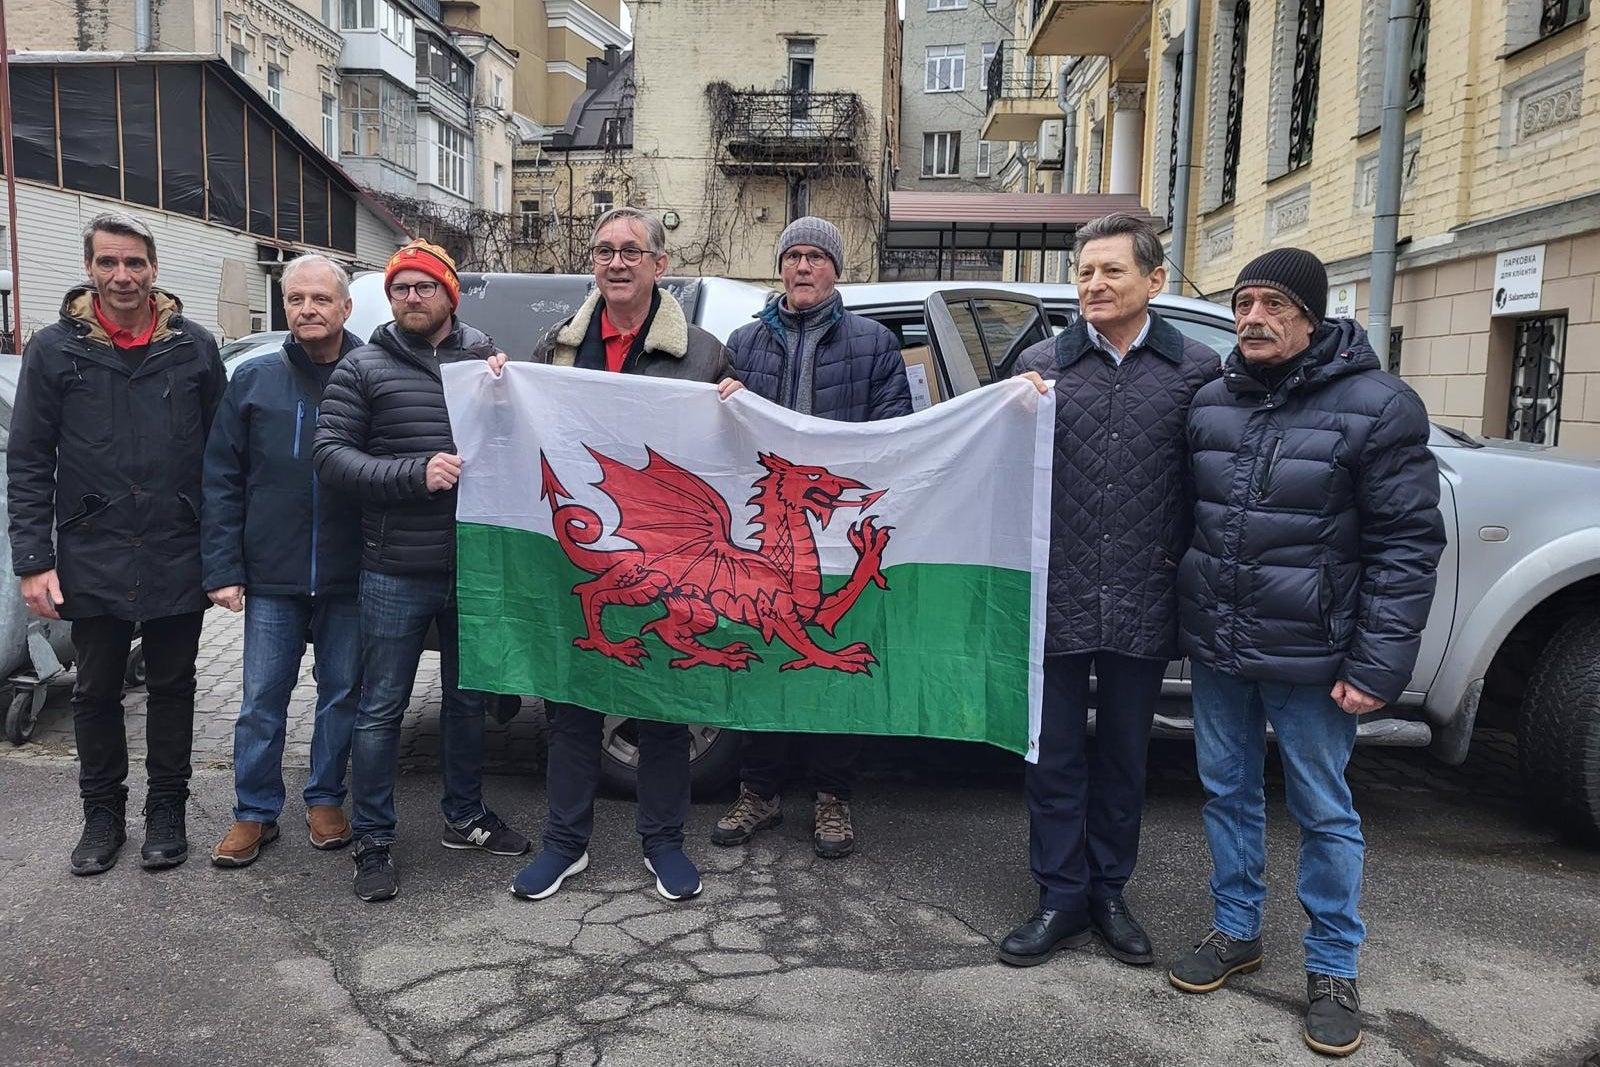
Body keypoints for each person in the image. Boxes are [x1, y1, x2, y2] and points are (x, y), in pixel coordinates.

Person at [1167, 248, 1444, 1058]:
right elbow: (1187, 517)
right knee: (1226, 790)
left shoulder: (1380, 405)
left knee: (1323, 808)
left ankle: (1332, 967)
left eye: (1274, 305)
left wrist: (1375, 665)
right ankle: (1236, 929)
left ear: (1311, 318)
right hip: (1221, 645)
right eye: (1244, 302)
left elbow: (1406, 544)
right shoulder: (1213, 399)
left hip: (1316, 654)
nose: (1253, 316)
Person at [998, 214, 1219, 969]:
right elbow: (991, 467)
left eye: (1111, 271)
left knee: (1127, 754)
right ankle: (1059, 896)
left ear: (1154, 281)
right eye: (1085, 271)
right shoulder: (1036, 365)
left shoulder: (1197, 370)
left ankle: (1109, 893)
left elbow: (1216, 483)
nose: (1094, 283)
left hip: (1144, 592)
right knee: (1053, 754)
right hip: (1053, 594)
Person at [508, 206, 732, 904]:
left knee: (663, 703)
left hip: (667, 557)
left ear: (660, 265)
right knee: (571, 704)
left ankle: (663, 841)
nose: (616, 261)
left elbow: (732, 455)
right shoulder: (558, 346)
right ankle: (564, 844)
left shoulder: (704, 351)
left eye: (632, 250)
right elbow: (529, 429)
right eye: (604, 250)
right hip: (582, 547)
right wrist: (496, 385)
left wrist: (735, 403)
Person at [6, 212, 226, 875]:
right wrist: (33, 562)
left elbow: (223, 457)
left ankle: (166, 812)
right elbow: (28, 462)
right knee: (95, 690)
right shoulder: (54, 349)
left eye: (133, 263)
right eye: (108, 263)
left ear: (154, 268)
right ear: (90, 269)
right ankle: (101, 814)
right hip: (90, 549)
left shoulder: (194, 346)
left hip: (174, 544)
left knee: (173, 686)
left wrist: (223, 553)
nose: (121, 275)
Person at [314, 239, 529, 903]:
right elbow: (330, 457)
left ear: (449, 295)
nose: (412, 297)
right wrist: (414, 473)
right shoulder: (363, 368)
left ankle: (463, 816)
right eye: (401, 287)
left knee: (469, 701)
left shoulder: (485, 361)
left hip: (473, 568)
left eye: (424, 287)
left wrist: (511, 389)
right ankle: (374, 837)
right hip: (394, 570)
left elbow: (522, 442)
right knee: (380, 708)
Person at [712, 215, 912, 859]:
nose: (803, 267)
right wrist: (723, 399)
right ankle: (759, 791)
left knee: (835, 658)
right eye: (793, 256)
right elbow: (714, 437)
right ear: (780, 267)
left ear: (835, 269)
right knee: (767, 657)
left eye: (815, 257)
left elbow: (896, 427)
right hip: (767, 534)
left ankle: (833, 799)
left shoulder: (873, 344)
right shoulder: (742, 342)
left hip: (840, 524)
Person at [203, 254, 365, 867]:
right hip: (271, 574)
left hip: (350, 575)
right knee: (261, 700)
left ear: (345, 308)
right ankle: (254, 811)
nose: (307, 310)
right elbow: (221, 477)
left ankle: (325, 798)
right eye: (296, 299)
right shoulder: (253, 380)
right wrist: (222, 568)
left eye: (320, 299)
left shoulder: (370, 376)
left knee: (341, 692)